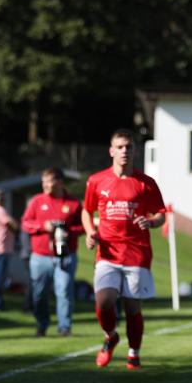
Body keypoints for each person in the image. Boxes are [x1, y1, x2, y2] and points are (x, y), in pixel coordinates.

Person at [82, 129, 166, 370]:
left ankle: (133, 353)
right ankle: (111, 336)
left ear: (135, 151)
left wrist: (150, 222)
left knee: (132, 306)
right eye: (120, 147)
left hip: (137, 253)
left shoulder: (146, 183)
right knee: (104, 301)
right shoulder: (97, 180)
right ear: (111, 151)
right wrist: (90, 233)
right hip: (108, 252)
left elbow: (161, 214)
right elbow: (86, 211)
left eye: (128, 147)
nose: (124, 151)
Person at [21, 168, 84, 336]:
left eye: (49, 181)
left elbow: (84, 226)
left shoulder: (73, 203)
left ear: (60, 182)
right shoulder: (36, 201)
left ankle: (64, 327)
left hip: (65, 255)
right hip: (40, 256)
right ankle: (42, 324)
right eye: (44, 182)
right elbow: (25, 224)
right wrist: (43, 226)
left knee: (64, 291)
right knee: (39, 294)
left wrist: (69, 232)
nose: (45, 185)